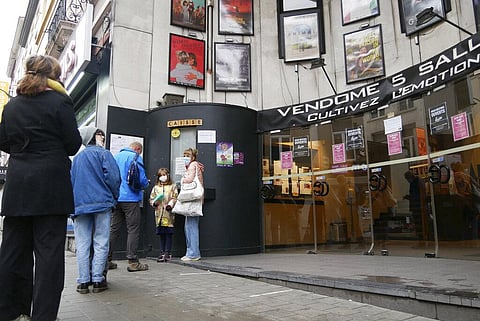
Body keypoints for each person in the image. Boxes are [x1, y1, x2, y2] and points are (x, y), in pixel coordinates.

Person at [0, 55, 82, 321]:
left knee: (13, 253)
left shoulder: (12, 106)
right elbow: (72, 144)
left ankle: (12, 310)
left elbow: (3, 141)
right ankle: (43, 316)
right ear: (53, 77)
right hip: (50, 188)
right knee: (48, 258)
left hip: (18, 187)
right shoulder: (60, 102)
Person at [71, 126, 121, 294]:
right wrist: (114, 198)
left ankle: (83, 281)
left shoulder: (77, 159)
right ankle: (98, 280)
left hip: (80, 205)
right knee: (101, 242)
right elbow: (114, 178)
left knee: (82, 244)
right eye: (100, 134)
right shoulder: (104, 154)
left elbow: (71, 183)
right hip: (102, 203)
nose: (102, 137)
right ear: (93, 137)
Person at [108, 141, 150, 272]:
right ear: (138, 149)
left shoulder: (115, 157)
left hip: (116, 197)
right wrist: (146, 184)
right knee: (133, 229)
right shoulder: (135, 157)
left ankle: (105, 259)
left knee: (113, 228)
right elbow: (141, 180)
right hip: (130, 198)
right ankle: (133, 261)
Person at [181, 148, 205, 262]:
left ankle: (193, 253)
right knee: (191, 225)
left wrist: (182, 178)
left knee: (190, 226)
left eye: (188, 155)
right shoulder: (197, 165)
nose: (185, 157)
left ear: (193, 157)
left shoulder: (192, 165)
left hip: (192, 198)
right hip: (197, 197)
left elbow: (189, 179)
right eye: (184, 155)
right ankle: (192, 252)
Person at [149, 168, 178, 262]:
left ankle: (167, 252)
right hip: (159, 214)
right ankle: (162, 252)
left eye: (164, 175)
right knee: (161, 233)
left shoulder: (172, 186)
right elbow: (151, 198)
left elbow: (175, 197)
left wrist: (170, 205)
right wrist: (154, 203)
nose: (163, 177)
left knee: (168, 233)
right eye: (160, 175)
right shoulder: (156, 188)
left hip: (168, 214)